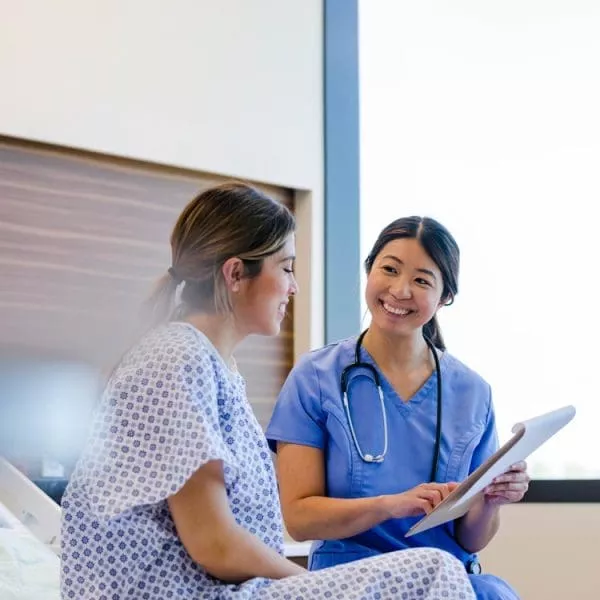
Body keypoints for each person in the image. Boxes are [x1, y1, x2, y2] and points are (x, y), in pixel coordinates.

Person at [60, 184, 476, 600]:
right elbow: (213, 543)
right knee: (431, 574)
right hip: (180, 593)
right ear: (236, 274)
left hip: (219, 589)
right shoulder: (175, 358)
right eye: (287, 268)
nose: (293, 287)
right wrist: (312, 585)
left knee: (452, 576)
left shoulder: (214, 366)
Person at [266, 216, 530, 599]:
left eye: (422, 280)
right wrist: (391, 506)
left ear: (444, 297)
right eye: (389, 269)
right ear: (369, 270)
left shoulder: (472, 392)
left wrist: (491, 499)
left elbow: (471, 540)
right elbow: (300, 519)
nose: (400, 289)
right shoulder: (316, 376)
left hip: (443, 583)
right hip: (351, 583)